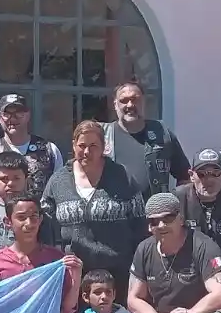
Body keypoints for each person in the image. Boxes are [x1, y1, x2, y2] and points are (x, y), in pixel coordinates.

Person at [41, 120, 146, 288]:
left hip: (118, 275)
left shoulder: (123, 177)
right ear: (74, 145)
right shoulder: (58, 181)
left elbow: (141, 225)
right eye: (82, 145)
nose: (87, 152)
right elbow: (45, 225)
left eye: (94, 146)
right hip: (74, 276)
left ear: (104, 147)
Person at [0, 151, 56, 280]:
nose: (11, 184)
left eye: (16, 178)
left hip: (27, 279)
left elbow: (48, 249)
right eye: (4, 179)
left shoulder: (36, 213)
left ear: (27, 180)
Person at [0, 94, 63, 217]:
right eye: (7, 114)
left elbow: (60, 193)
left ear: (28, 115)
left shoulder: (49, 150)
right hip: (0, 226)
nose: (12, 119)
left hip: (41, 225)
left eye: (19, 113)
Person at [102, 80, 191, 200]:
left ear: (144, 102)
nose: (130, 105)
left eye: (135, 99)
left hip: (155, 215)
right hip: (115, 214)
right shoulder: (103, 136)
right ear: (115, 105)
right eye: (123, 101)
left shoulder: (162, 133)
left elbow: (185, 176)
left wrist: (175, 205)